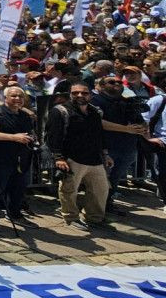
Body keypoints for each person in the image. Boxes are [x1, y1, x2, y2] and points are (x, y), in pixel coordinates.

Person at [48, 81, 112, 230]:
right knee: (69, 190)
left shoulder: (95, 112)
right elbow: (53, 137)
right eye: (75, 93)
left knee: (101, 190)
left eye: (84, 93)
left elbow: (100, 134)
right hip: (71, 159)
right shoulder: (60, 111)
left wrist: (106, 154)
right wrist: (58, 158)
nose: (80, 95)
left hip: (95, 159)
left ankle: (94, 218)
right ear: (70, 94)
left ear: (90, 95)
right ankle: (71, 218)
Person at [0, 85, 37, 228]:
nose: (17, 99)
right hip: (1, 158)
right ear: (5, 97)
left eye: (20, 96)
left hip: (21, 158)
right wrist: (14, 137)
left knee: (18, 188)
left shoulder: (25, 115)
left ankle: (15, 214)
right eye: (13, 96)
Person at [91, 73, 146, 216]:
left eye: (119, 82)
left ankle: (108, 204)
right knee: (102, 180)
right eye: (111, 82)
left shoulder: (127, 101)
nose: (117, 84)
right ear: (102, 86)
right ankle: (95, 209)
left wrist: (142, 128)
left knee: (115, 179)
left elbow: (140, 120)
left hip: (127, 147)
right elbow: (98, 123)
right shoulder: (96, 100)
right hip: (107, 148)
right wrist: (126, 129)